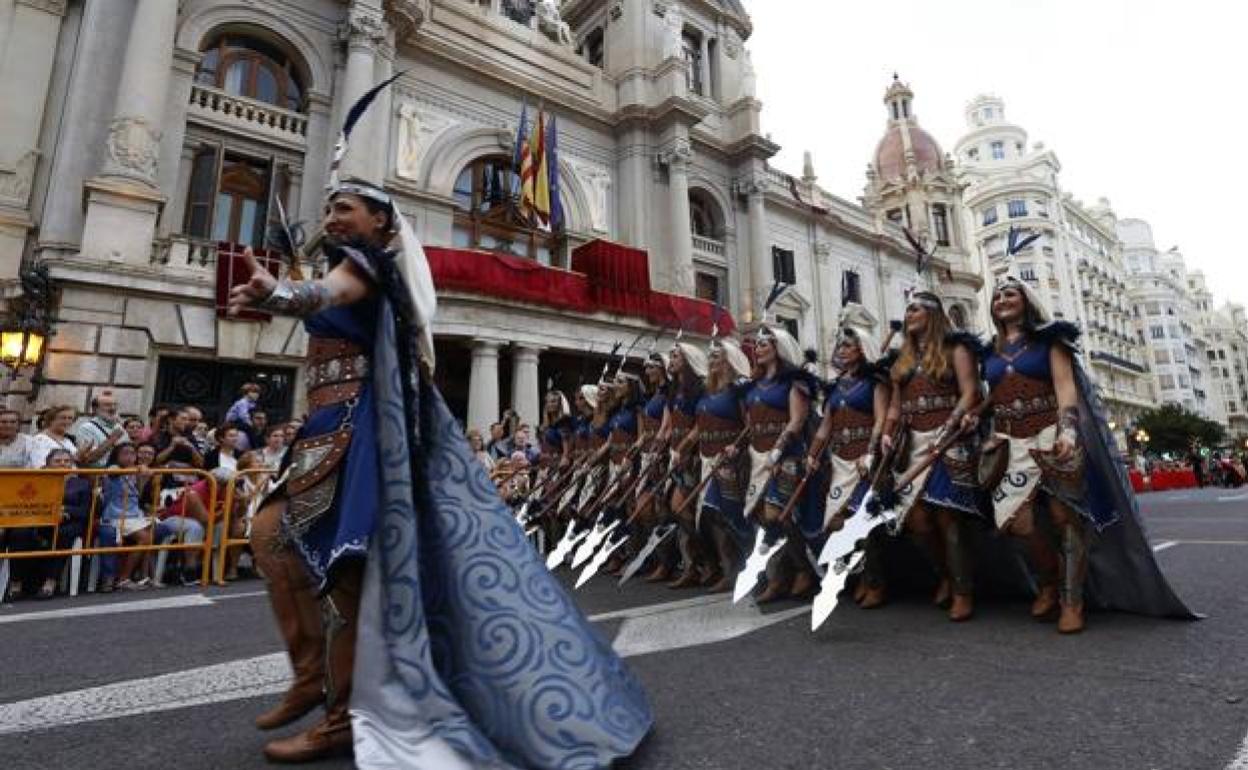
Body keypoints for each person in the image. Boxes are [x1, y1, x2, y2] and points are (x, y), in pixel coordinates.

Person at [228, 174, 650, 766]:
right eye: (327, 207)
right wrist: (276, 296)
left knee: (345, 570)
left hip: (363, 431)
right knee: (272, 535)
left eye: (345, 207)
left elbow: (327, 294)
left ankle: (340, 715)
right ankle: (309, 674)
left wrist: (281, 296)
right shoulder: (350, 264)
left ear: (380, 221)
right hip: (322, 428)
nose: (332, 216)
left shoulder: (366, 265)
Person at [981, 276, 1195, 631]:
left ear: (1027, 300)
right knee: (1018, 522)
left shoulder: (1051, 340)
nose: (1003, 299)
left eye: (1011, 293)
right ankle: (1048, 581)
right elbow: (996, 390)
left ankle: (1071, 600)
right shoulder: (989, 352)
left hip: (1051, 434)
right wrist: (976, 410)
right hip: (1010, 441)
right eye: (997, 295)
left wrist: (1066, 429)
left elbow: (1065, 388)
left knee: (1066, 517)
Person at [877, 291, 985, 622]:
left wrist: (952, 422)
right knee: (917, 520)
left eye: (915, 308)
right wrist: (887, 431)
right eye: (907, 308)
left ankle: (963, 590)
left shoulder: (957, 348)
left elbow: (971, 391)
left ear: (932, 314)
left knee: (947, 517)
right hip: (913, 444)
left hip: (949, 440)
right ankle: (946, 575)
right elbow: (896, 403)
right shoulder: (903, 359)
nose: (908, 313)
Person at [807, 320, 890, 608]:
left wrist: (871, 451)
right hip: (840, 462)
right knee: (834, 523)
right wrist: (813, 453)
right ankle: (859, 576)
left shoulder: (875, 383)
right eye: (840, 345)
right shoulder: (834, 388)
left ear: (862, 349)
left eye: (848, 345)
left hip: (864, 462)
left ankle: (875, 583)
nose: (841, 350)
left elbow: (880, 418)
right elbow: (824, 428)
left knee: (862, 524)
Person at [741, 322, 822, 603]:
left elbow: (797, 421)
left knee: (780, 515)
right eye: (757, 344)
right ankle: (780, 577)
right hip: (758, 456)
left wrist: (777, 451)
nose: (757, 348)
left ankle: (803, 570)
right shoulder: (752, 386)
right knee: (763, 518)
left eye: (764, 344)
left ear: (779, 348)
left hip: (786, 456)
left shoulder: (794, 382)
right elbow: (750, 424)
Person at [689, 334, 754, 591]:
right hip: (707, 458)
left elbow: (750, 426)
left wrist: (736, 446)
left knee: (728, 515)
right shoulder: (705, 393)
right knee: (713, 514)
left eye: (717, 356)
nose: (712, 360)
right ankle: (730, 569)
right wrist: (681, 449)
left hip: (731, 462)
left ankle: (744, 567)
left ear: (729, 360)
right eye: (710, 357)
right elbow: (698, 428)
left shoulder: (738, 390)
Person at [5, 449, 91, 600]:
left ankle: (50, 583)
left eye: (66, 461)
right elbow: (28, 504)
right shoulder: (39, 481)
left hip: (69, 521)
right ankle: (15, 584)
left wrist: (64, 510)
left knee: (63, 534)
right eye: (57, 461)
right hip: (39, 520)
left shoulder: (81, 484)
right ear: (48, 464)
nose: (62, 464)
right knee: (20, 534)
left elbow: (84, 511)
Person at [98, 444, 159, 592]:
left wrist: (143, 478)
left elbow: (138, 493)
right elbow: (112, 472)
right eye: (125, 453)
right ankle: (124, 578)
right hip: (117, 515)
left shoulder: (135, 471)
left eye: (132, 453)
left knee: (155, 530)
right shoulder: (114, 469)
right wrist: (119, 469)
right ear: (116, 456)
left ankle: (145, 576)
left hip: (134, 515)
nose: (130, 456)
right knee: (145, 538)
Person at [72, 390, 129, 469]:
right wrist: (112, 439)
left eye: (115, 405)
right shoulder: (86, 428)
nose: (112, 408)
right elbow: (89, 458)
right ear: (95, 409)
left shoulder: (119, 427)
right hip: (99, 476)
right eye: (107, 405)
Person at [225, 383, 263, 448]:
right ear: (246, 393)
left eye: (257, 393)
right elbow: (243, 415)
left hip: (241, 422)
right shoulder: (242, 402)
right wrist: (250, 424)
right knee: (250, 430)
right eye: (253, 392)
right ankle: (255, 446)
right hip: (234, 422)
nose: (256, 395)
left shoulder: (252, 404)